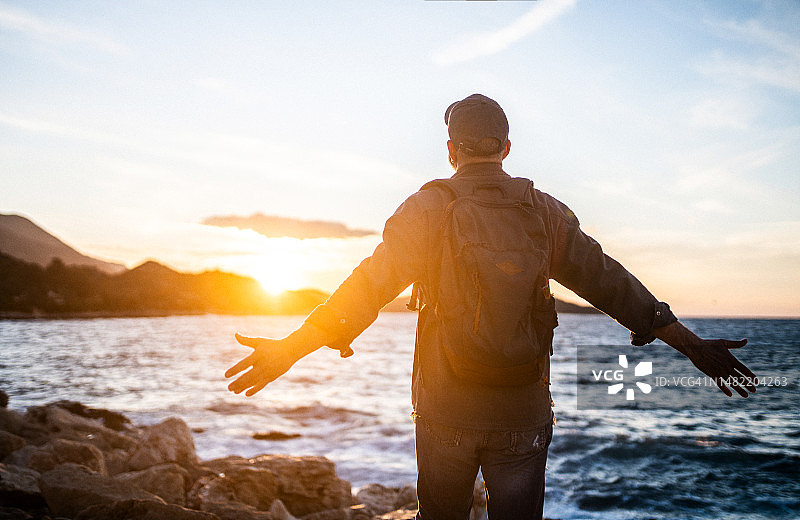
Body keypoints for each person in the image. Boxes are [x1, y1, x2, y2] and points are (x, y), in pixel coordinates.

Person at [225, 94, 758, 520]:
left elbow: (365, 289)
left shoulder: (428, 208)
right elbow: (613, 285)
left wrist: (291, 349)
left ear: (451, 150)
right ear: (505, 147)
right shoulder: (543, 212)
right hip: (522, 414)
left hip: (443, 410)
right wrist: (691, 345)